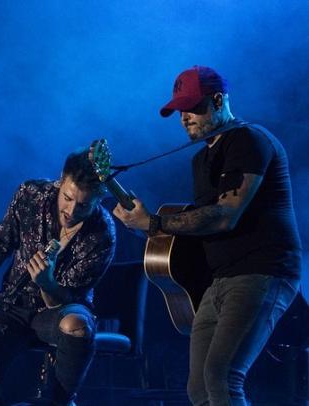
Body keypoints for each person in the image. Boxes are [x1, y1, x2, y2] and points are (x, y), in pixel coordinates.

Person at [113, 65, 302, 406]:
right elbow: (199, 224)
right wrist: (148, 230)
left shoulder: (248, 139)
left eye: (193, 107)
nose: (184, 117)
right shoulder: (201, 159)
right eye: (179, 110)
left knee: (221, 375)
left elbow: (225, 215)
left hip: (262, 271)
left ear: (218, 100)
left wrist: (154, 224)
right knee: (199, 388)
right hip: (220, 281)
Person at [0, 148, 116, 406]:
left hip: (60, 309)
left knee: (77, 326)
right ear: (61, 179)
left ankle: (61, 401)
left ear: (99, 199)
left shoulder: (102, 232)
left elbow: (64, 299)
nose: (72, 210)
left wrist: (47, 283)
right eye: (67, 198)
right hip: (12, 304)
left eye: (83, 205)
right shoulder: (31, 194)